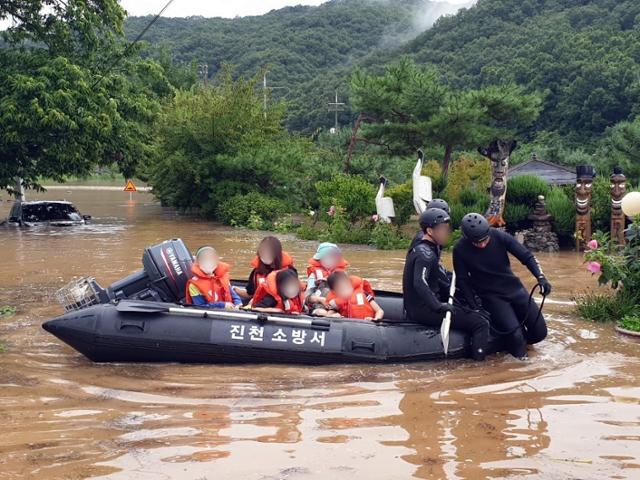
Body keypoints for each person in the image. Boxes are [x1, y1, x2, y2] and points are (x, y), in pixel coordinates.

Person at [453, 213, 552, 359]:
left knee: (540, 332)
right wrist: (475, 307)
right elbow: (462, 280)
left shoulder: (499, 236)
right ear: (467, 239)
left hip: (514, 289)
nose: (482, 244)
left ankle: (518, 341)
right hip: (492, 297)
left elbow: (526, 256)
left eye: (484, 240)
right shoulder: (459, 249)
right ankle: (523, 369)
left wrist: (541, 277)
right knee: (516, 338)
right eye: (477, 242)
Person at [402, 208, 489, 361]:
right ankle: (479, 365)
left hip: (419, 306)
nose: (446, 233)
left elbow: (435, 278)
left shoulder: (426, 248)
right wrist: (438, 306)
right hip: (424, 310)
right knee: (480, 323)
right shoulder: (425, 255)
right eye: (443, 229)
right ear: (430, 231)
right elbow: (419, 283)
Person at [305, 242, 349, 316]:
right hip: (319, 305)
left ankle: (332, 314)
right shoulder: (314, 275)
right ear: (319, 259)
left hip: (336, 305)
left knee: (338, 312)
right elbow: (307, 297)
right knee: (320, 312)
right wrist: (321, 300)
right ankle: (327, 314)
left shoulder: (342, 274)